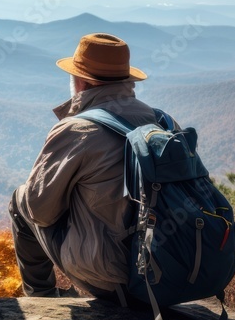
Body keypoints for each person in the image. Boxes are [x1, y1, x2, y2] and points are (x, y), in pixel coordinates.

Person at [9, 32, 160, 302]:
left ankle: (41, 299)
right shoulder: (161, 121)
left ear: (80, 81)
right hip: (163, 269)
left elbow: (39, 211)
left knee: (21, 200)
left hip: (109, 278)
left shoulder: (77, 130)